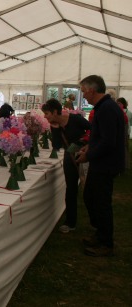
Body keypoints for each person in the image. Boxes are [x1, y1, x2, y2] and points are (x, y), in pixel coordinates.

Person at [76, 75, 125, 257]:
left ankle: (106, 243)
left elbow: (108, 142)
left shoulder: (106, 109)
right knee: (91, 197)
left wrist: (88, 155)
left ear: (92, 90)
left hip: (105, 164)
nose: (83, 95)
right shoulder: (104, 107)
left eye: (84, 91)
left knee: (101, 202)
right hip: (102, 161)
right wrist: (89, 146)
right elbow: (101, 137)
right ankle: (100, 234)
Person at [42, 99, 90, 234]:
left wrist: (85, 142)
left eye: (47, 113)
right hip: (69, 157)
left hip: (85, 155)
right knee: (71, 188)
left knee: (90, 188)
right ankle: (70, 222)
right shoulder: (54, 124)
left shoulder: (75, 119)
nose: (45, 117)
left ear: (55, 112)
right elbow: (57, 146)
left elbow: (92, 129)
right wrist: (56, 129)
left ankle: (96, 219)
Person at [116, 97, 131, 169]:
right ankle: (125, 164)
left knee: (123, 148)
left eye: (118, 103)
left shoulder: (124, 112)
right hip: (124, 132)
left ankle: (124, 164)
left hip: (123, 132)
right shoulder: (127, 112)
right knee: (124, 148)